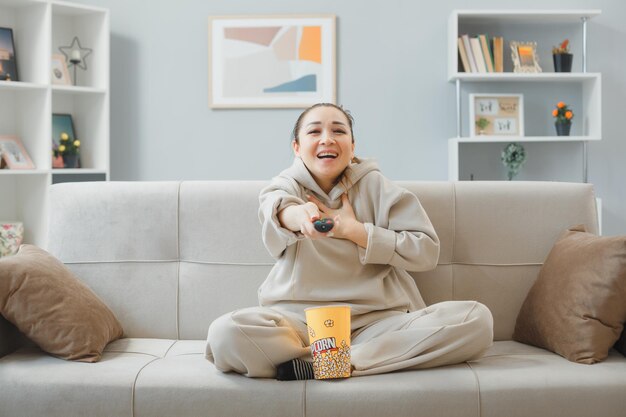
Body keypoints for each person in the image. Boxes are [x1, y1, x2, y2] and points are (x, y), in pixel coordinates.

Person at [205, 103, 493, 380]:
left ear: (352, 146)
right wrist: (300, 217)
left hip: (377, 323)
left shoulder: (377, 186)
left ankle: (330, 362)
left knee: (477, 321)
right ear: (297, 147)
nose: (327, 139)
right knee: (225, 333)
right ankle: (342, 360)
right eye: (314, 131)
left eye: (338, 131)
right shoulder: (285, 184)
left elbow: (427, 252)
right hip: (299, 323)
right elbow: (279, 210)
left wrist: (355, 231)